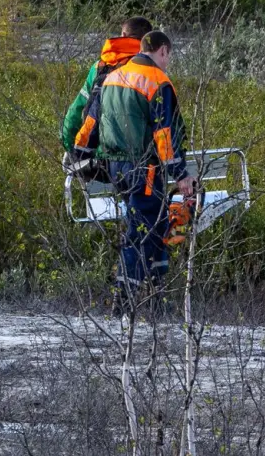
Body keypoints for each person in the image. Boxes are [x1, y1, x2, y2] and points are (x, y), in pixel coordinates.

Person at [81, 29, 194, 308]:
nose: (168, 62)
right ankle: (124, 301)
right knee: (140, 232)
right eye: (168, 57)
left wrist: (80, 156)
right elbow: (164, 135)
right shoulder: (158, 81)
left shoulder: (113, 76)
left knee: (155, 229)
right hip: (145, 169)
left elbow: (90, 124)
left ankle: (157, 298)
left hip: (115, 168)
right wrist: (180, 174)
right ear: (163, 50)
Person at [60, 16, 155, 155]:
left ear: (123, 35)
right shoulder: (148, 70)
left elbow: (77, 108)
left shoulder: (100, 66)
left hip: (97, 153)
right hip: (137, 158)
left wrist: (70, 146)